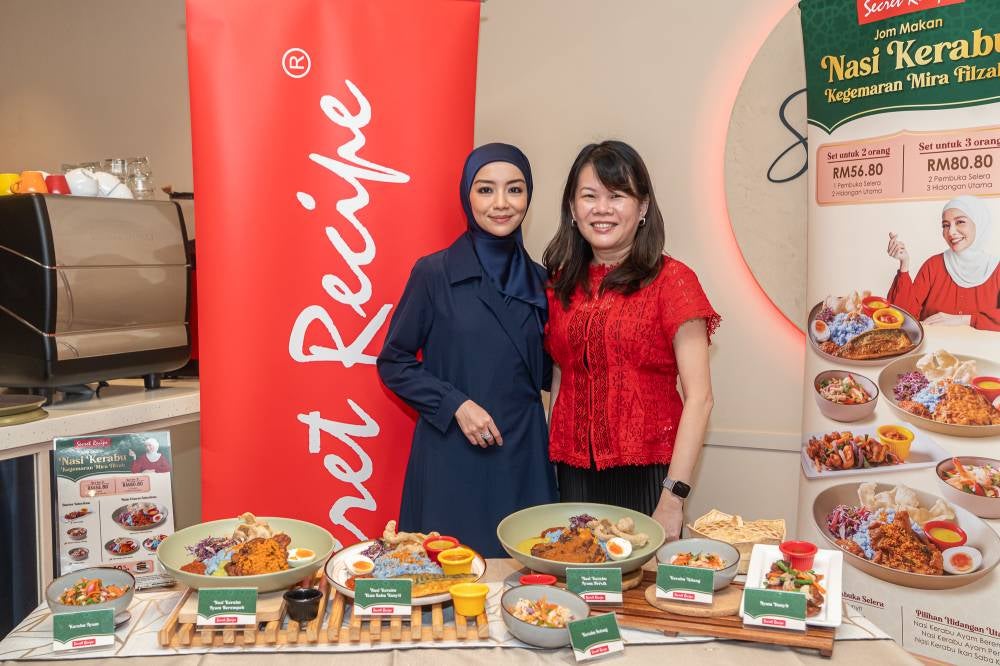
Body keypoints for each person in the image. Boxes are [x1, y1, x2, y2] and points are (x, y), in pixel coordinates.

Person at [377, 143, 557, 557]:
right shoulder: (433, 273)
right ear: (466, 195)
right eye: (485, 189)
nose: (500, 204)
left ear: (528, 197)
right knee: (443, 580)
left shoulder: (544, 282)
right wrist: (456, 404)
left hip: (524, 456)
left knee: (527, 581)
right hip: (451, 454)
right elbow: (394, 362)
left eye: (514, 190)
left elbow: (553, 372)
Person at [543, 140, 719, 542]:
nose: (601, 209)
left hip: (650, 478)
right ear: (572, 209)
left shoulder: (672, 281)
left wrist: (672, 498)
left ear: (642, 209)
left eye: (617, 196)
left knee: (640, 598)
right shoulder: (559, 285)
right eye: (589, 196)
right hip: (573, 476)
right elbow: (560, 375)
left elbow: (700, 398)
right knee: (580, 594)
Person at [887, 195, 1000, 331]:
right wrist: (904, 264)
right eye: (946, 225)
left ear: (979, 223)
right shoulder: (933, 266)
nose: (951, 232)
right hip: (933, 350)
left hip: (980, 352)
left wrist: (965, 319)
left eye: (960, 222)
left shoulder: (996, 269)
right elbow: (902, 317)